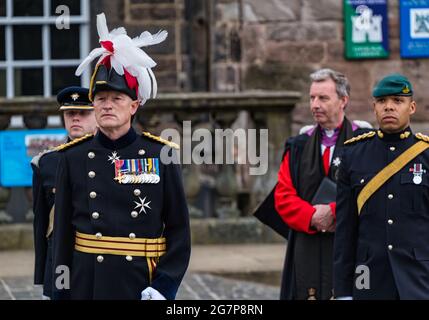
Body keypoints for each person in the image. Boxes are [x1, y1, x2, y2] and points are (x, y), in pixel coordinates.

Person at [51, 13, 191, 300]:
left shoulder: (160, 154)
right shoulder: (72, 157)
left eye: (117, 99)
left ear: (134, 106)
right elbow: (62, 237)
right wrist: (59, 292)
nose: (107, 106)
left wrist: (163, 286)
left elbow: (179, 231)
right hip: (86, 282)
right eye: (101, 99)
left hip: (140, 281)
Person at [254, 68, 371, 300]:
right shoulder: (298, 146)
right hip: (306, 244)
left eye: (323, 98)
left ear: (343, 100)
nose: (315, 104)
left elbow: (370, 194)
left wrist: (334, 212)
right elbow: (283, 197)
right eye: (312, 98)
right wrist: (312, 216)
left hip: (350, 245)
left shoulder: (365, 143)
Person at [334, 74, 429, 300]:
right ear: (374, 107)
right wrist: (343, 292)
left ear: (412, 107)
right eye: (382, 101)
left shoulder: (425, 155)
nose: (389, 107)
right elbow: (346, 230)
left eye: (397, 101)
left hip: (419, 278)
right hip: (368, 276)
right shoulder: (353, 155)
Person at [31, 86, 97, 299]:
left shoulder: (113, 159)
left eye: (83, 113)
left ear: (97, 115)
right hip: (60, 260)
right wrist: (43, 275)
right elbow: (41, 224)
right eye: (70, 114)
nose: (75, 118)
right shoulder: (46, 163)